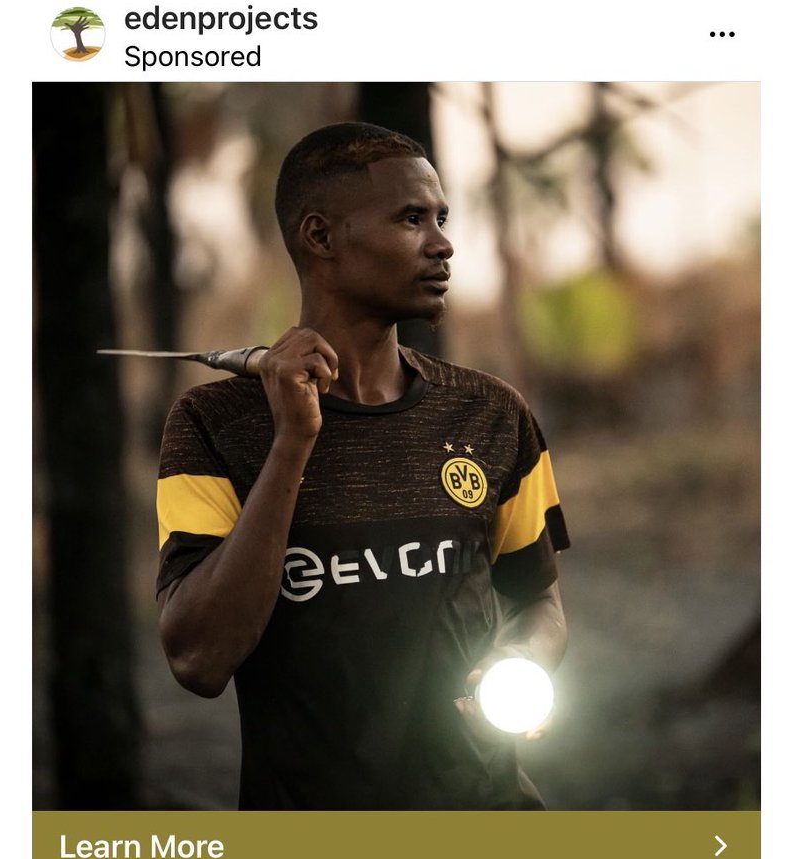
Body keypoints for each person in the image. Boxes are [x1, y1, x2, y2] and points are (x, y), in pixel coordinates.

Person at [155, 122, 569, 810]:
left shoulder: (490, 414)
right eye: (412, 219)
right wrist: (291, 443)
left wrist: (519, 661)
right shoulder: (214, 427)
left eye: (441, 217)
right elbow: (198, 659)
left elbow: (538, 598)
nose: (443, 243)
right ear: (321, 237)